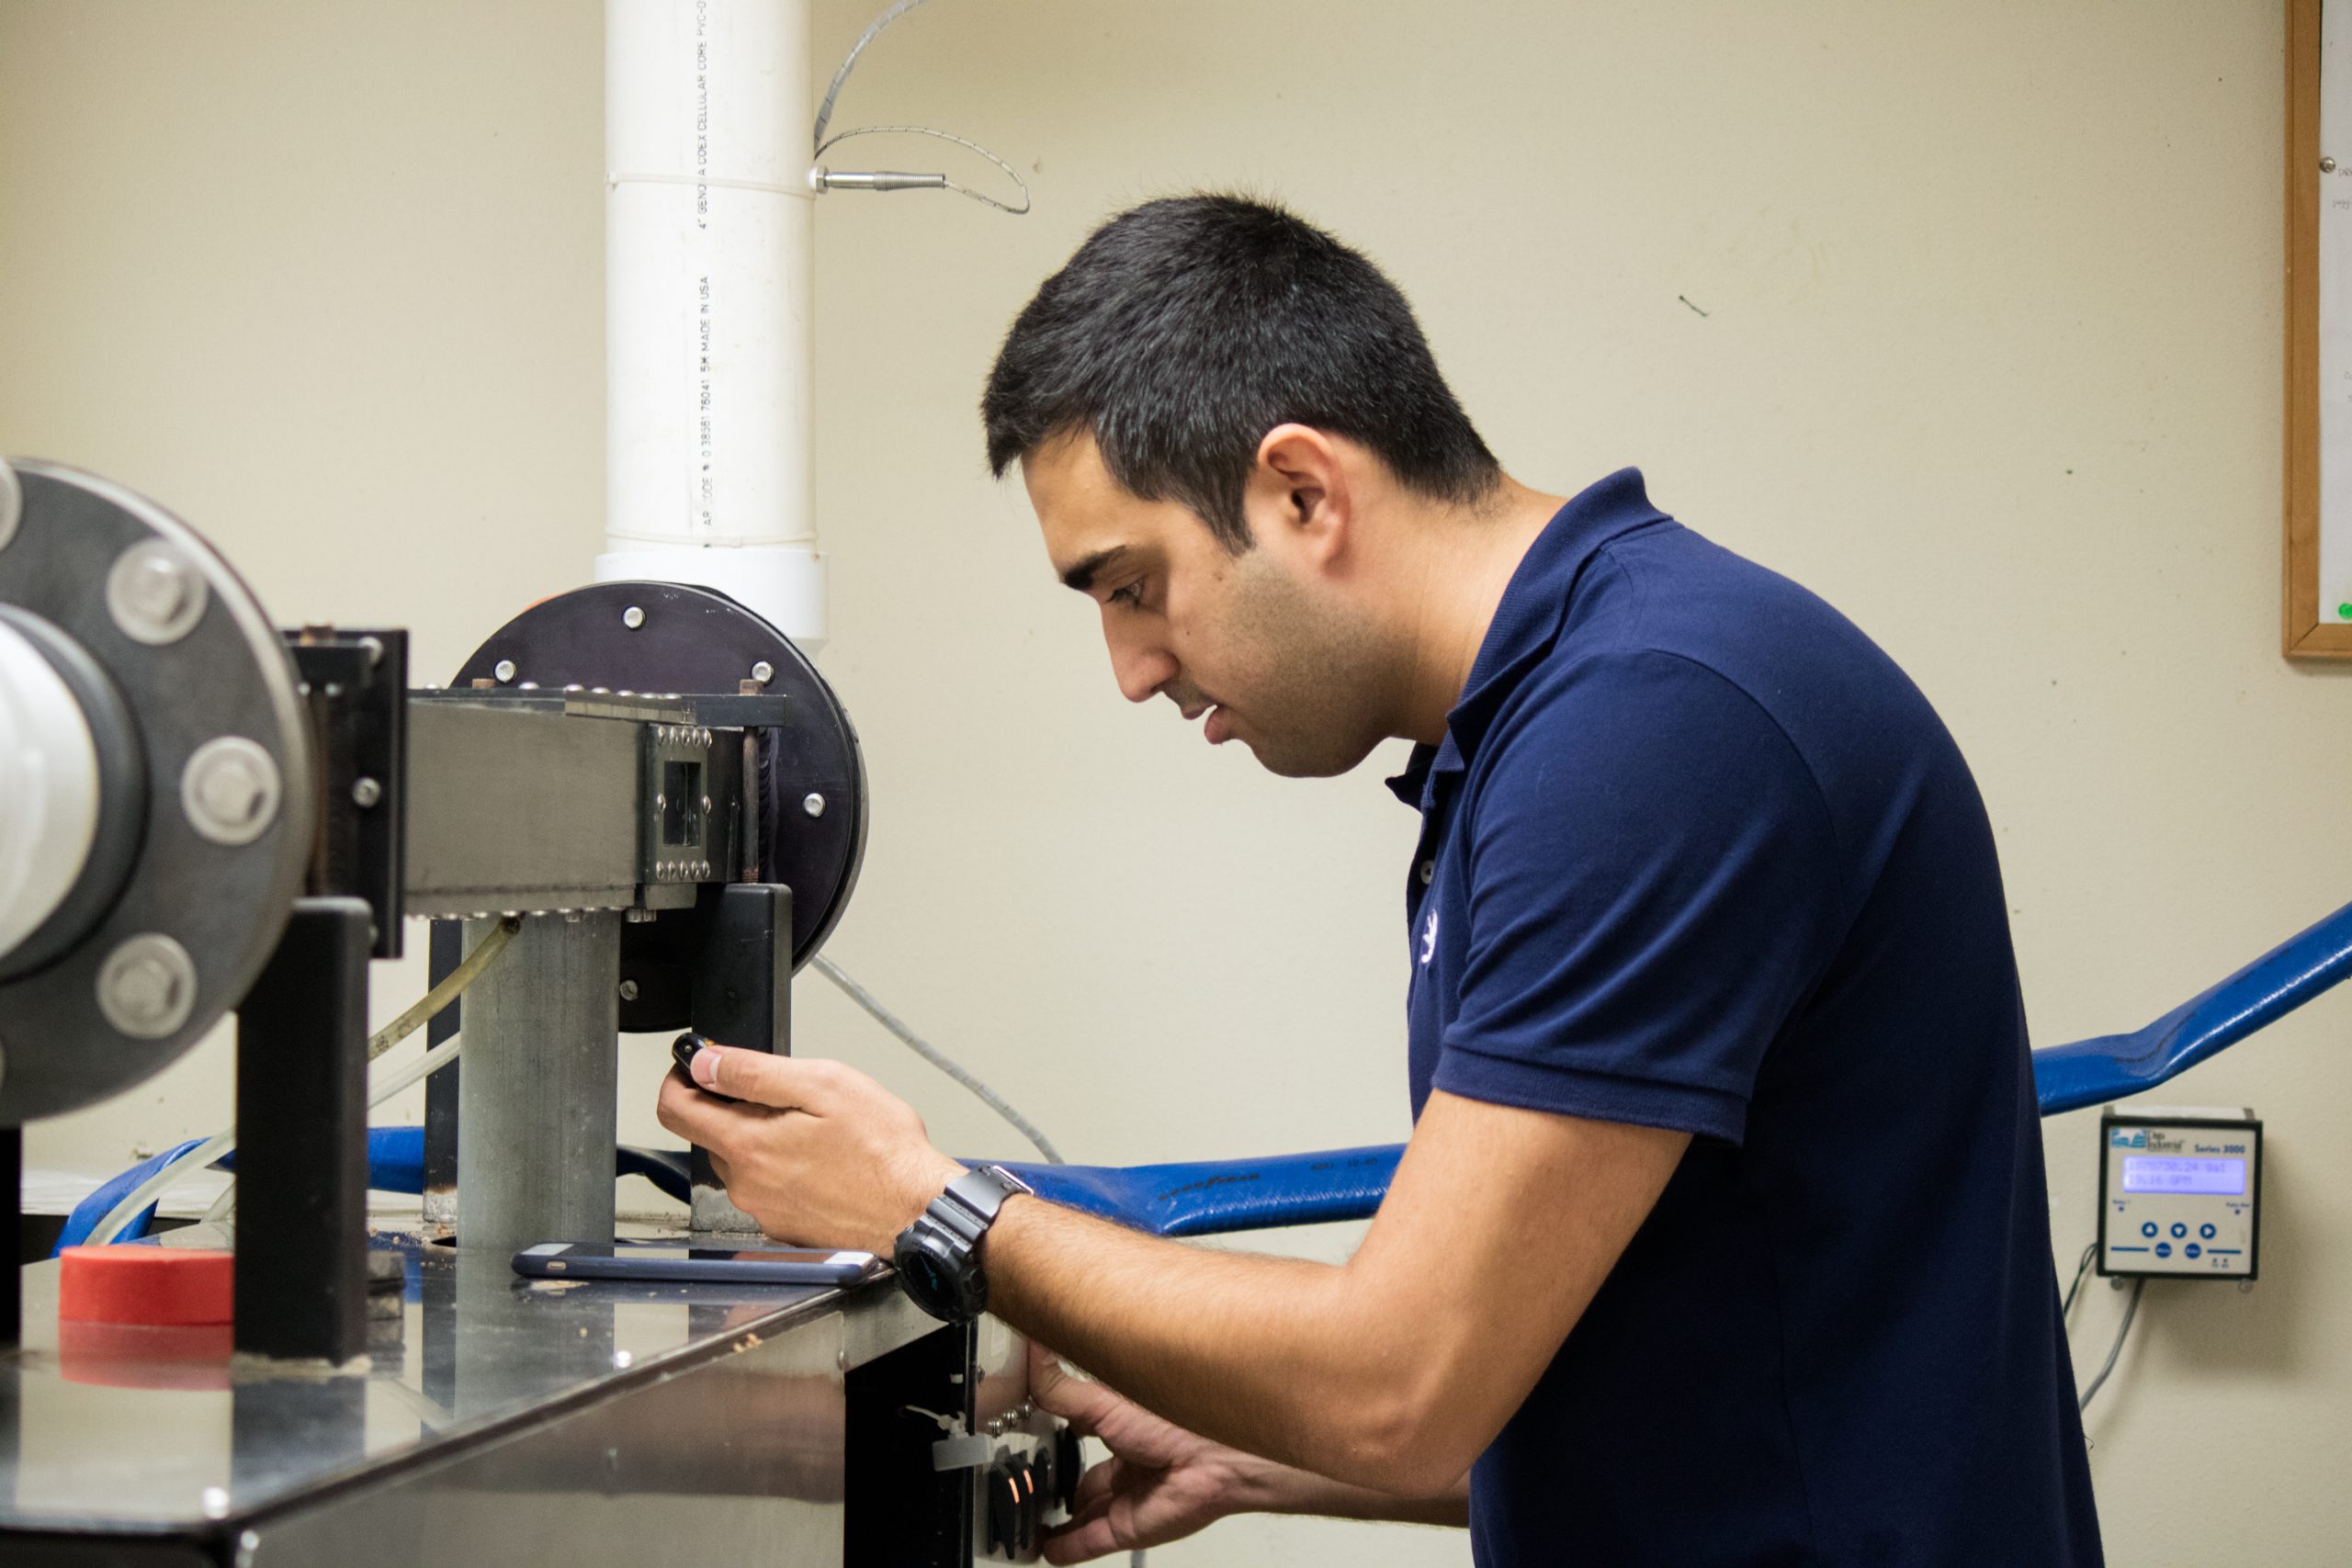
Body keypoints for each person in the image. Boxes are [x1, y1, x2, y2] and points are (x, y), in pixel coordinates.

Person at [657, 194, 2103, 1566]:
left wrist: (929, 1207)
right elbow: (1646, 1370)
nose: (1132, 669)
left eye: (1130, 584)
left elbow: (1399, 1379)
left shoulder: (1654, 733)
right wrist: (1258, 1456)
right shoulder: (1562, 719)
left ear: (1301, 490)